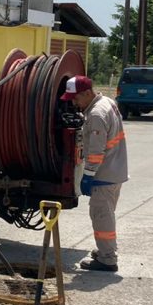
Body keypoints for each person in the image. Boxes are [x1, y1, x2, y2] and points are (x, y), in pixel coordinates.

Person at [62, 76, 128, 273]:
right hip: (116, 170)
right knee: (106, 213)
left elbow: (96, 153)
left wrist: (88, 176)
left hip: (105, 174)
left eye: (76, 99)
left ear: (87, 93)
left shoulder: (96, 115)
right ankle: (104, 250)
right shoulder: (107, 102)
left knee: (101, 215)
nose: (74, 103)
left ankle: (107, 259)